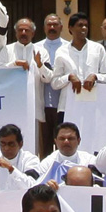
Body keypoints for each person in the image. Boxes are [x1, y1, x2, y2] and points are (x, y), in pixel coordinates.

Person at [0, 17, 53, 125]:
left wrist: (40, 65)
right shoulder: (7, 50)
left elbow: (48, 78)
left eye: (27, 30)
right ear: (16, 33)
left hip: (34, 107)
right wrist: (14, 64)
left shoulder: (41, 52)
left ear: (33, 33)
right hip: (11, 107)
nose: (23, 33)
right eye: (20, 30)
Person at [51, 12, 106, 113]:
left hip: (93, 107)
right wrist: (69, 77)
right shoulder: (61, 51)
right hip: (68, 107)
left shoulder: (98, 49)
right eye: (80, 25)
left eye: (86, 25)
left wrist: (95, 76)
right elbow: (54, 83)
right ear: (70, 28)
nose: (84, 28)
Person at [35, 14, 69, 158]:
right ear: (44, 28)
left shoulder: (69, 48)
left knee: (64, 142)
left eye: (55, 24)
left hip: (63, 104)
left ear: (61, 27)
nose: (52, 27)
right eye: (49, 25)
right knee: (45, 145)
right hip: (43, 103)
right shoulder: (36, 48)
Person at [0, 124, 39, 189]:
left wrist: (11, 169)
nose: (6, 148)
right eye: (3, 144)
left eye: (11, 144)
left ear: (20, 144)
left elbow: (32, 186)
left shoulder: (30, 160)